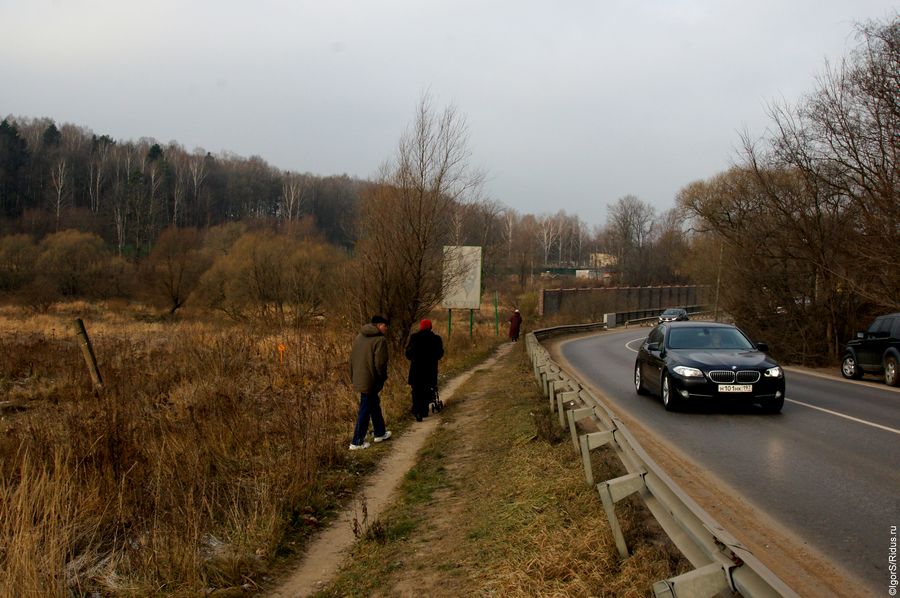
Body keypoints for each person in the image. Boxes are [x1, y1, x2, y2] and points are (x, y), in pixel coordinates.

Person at [348, 315, 392, 450]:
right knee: (365, 409)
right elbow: (380, 363)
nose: (386, 329)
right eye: (385, 326)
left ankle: (380, 433)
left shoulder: (359, 337)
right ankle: (357, 442)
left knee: (373, 404)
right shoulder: (380, 340)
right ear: (379, 325)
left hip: (359, 377)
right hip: (371, 379)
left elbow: (351, 359)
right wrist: (382, 377)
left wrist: (353, 376)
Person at [405, 319, 444, 422]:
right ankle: (424, 410)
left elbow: (408, 354)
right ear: (430, 327)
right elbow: (440, 354)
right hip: (430, 370)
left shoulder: (414, 338)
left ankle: (417, 411)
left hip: (416, 370)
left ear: (421, 327)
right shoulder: (436, 339)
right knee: (427, 389)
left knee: (416, 391)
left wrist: (414, 357)